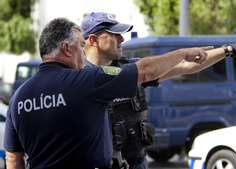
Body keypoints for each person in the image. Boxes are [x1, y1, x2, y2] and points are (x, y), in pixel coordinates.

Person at [3, 18, 209, 169]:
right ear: (66, 48)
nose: (84, 55)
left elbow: (14, 159)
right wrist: (182, 53)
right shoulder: (85, 81)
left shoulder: (18, 98)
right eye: (81, 47)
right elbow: (144, 70)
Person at [81, 12, 236, 169]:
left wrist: (228, 50)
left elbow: (186, 66)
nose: (121, 39)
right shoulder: (76, 80)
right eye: (114, 34)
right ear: (93, 40)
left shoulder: (129, 70)